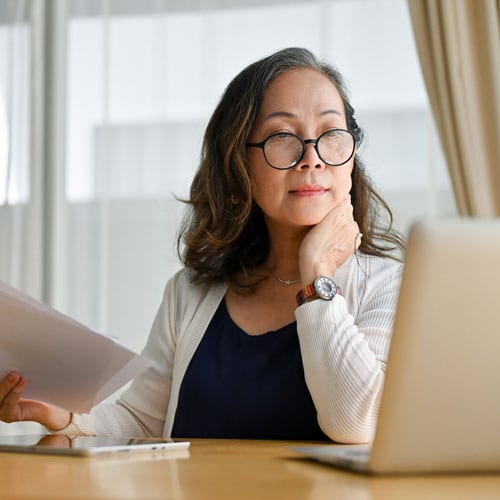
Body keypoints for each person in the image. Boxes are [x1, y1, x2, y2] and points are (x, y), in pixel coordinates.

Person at [0, 47, 404, 443]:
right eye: (283, 135)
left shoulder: (389, 284)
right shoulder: (189, 292)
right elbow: (142, 421)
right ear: (239, 162)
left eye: (331, 133)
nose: (312, 157)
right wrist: (64, 416)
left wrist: (317, 273)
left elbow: (356, 423)